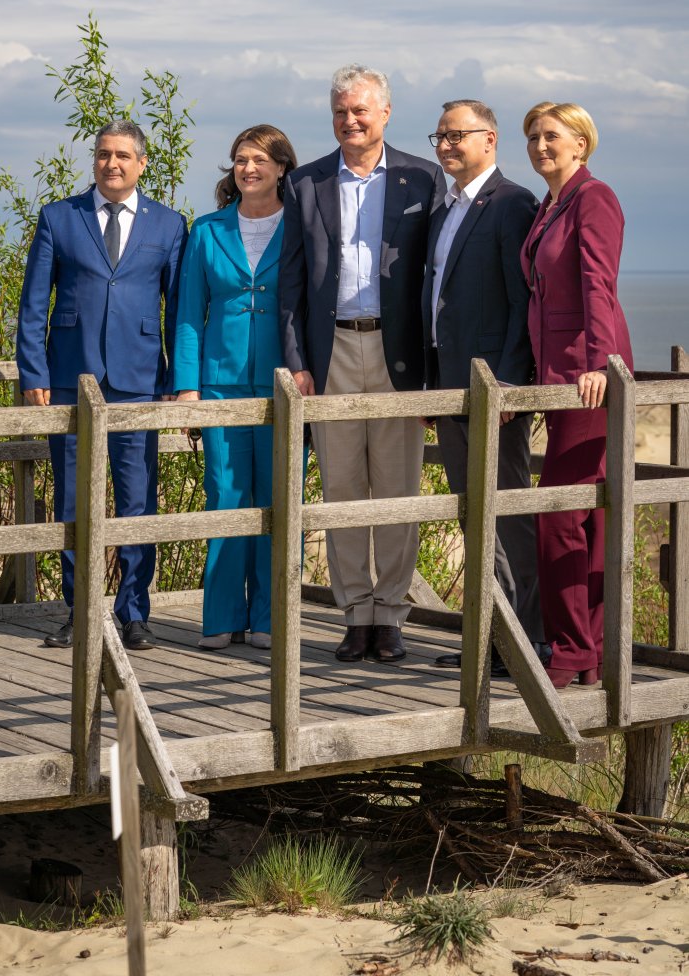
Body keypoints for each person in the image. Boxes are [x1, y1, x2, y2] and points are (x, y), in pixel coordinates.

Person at [279, 64, 445, 663]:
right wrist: (298, 361)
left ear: (385, 113)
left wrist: (433, 369)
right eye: (340, 112)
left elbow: (436, 274)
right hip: (332, 354)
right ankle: (355, 614)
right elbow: (292, 281)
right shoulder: (306, 182)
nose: (350, 121)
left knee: (398, 488)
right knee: (342, 488)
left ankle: (391, 615)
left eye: (360, 110)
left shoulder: (422, 178)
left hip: (398, 352)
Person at [16, 121, 188, 650]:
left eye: (122, 156)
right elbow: (33, 303)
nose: (112, 164)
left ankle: (134, 614)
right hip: (70, 379)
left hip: (140, 381)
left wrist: (177, 379)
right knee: (73, 500)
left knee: (138, 502)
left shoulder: (170, 224)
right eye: (103, 154)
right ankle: (81, 610)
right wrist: (33, 372)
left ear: (141, 163)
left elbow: (178, 310)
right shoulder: (58, 217)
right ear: (94, 160)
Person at [421, 100, 544, 677]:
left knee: (509, 513)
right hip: (450, 385)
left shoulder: (513, 202)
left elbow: (523, 301)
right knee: (474, 516)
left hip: (495, 389)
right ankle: (490, 638)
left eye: (457, 135)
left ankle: (528, 642)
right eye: (440, 136)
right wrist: (431, 381)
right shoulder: (445, 207)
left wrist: (511, 384)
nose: (446, 145)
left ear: (489, 139)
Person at [521, 102, 633, 688]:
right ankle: (591, 654)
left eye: (551, 135)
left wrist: (599, 365)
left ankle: (569, 649)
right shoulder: (551, 205)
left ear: (580, 144)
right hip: (557, 377)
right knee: (587, 512)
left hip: (588, 381)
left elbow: (598, 285)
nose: (540, 145)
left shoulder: (595, 198)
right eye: (533, 136)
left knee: (558, 512)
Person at [173, 126, 298, 651]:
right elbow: (187, 315)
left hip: (285, 385)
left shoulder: (302, 226)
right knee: (224, 497)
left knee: (278, 498)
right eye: (241, 160)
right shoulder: (206, 231)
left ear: (282, 168)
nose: (249, 169)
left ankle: (270, 618)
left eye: (260, 160)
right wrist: (187, 389)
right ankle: (221, 616)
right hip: (220, 386)